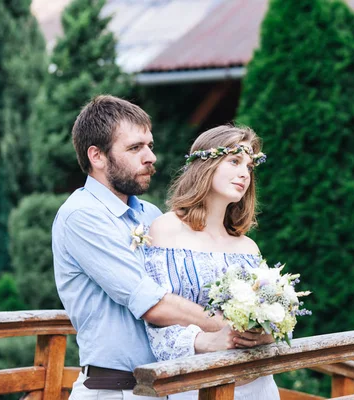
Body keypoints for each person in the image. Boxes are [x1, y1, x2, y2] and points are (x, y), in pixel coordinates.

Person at [52, 95, 226, 400]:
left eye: (150, 145)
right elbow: (150, 302)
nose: (151, 157)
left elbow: (179, 290)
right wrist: (223, 325)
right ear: (98, 157)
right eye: (135, 148)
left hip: (165, 386)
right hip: (114, 390)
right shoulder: (81, 216)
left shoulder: (150, 214)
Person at [144, 125, 280, 399]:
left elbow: (271, 321)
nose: (245, 173)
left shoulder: (248, 247)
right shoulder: (165, 230)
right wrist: (204, 341)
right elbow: (153, 317)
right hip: (194, 383)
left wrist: (267, 333)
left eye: (250, 166)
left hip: (256, 385)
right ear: (205, 165)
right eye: (234, 161)